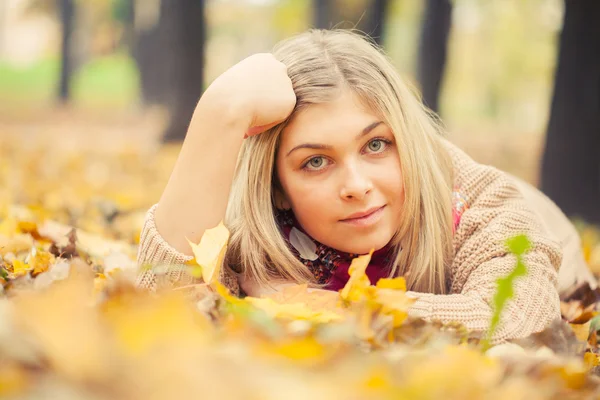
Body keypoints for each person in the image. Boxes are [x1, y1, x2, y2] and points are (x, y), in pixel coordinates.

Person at [135, 29, 595, 343]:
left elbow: (518, 322)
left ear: (407, 143)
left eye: (376, 144)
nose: (356, 185)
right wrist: (221, 111)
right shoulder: (257, 235)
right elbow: (163, 306)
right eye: (315, 161)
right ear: (277, 187)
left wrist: (313, 306)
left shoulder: (488, 208)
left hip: (548, 231)